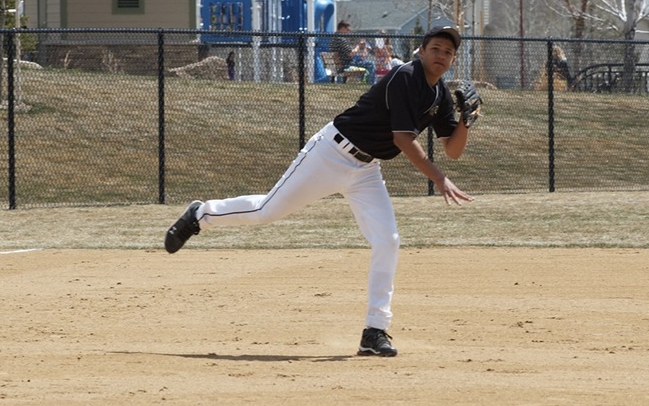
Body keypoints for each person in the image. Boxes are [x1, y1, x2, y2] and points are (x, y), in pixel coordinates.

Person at [163, 26, 475, 357]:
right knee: (266, 211)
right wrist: (439, 179)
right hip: (331, 153)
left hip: (367, 170)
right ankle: (201, 214)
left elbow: (453, 149)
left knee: (388, 241)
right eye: (436, 48)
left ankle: (374, 330)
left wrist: (466, 123)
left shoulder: (439, 95)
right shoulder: (405, 76)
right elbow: (402, 139)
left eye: (448, 52)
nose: (442, 56)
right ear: (422, 51)